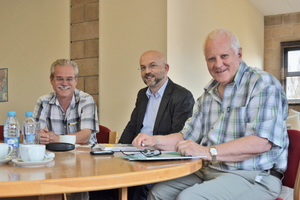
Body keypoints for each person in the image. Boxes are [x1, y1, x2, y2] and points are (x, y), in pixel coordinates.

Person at [132, 29, 289, 200]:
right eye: (211, 59)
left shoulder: (262, 84)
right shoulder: (208, 93)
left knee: (189, 198)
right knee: (157, 193)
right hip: (210, 170)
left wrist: (207, 151)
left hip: (254, 176)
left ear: (239, 54)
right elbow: (186, 137)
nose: (218, 64)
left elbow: (262, 142)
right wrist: (155, 140)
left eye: (224, 56)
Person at [89, 50, 194, 200]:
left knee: (138, 186)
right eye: (143, 67)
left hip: (160, 159)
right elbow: (133, 126)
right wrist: (116, 151)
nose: (147, 72)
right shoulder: (142, 94)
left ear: (166, 68)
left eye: (152, 66)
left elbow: (179, 137)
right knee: (100, 183)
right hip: (136, 156)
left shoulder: (182, 96)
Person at [33, 59, 99, 145]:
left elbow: (86, 136)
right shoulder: (43, 101)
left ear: (76, 81)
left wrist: (57, 139)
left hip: (84, 155)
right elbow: (34, 133)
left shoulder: (86, 100)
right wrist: (40, 137)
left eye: (69, 79)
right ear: (51, 80)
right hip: (54, 155)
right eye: (59, 79)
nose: (64, 83)